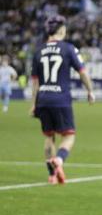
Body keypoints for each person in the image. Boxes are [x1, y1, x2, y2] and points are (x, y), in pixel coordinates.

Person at [30, 15, 95, 184]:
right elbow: (82, 71)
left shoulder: (38, 51)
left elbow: (35, 81)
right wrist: (90, 91)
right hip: (61, 98)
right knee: (69, 136)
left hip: (43, 98)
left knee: (49, 137)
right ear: (62, 30)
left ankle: (51, 175)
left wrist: (33, 104)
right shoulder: (68, 49)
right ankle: (59, 160)